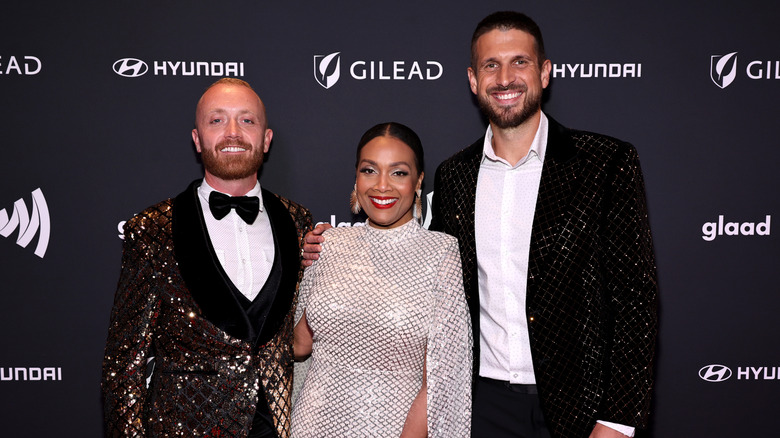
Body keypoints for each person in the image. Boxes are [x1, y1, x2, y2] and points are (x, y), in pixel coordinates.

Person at [304, 12, 657, 438]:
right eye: (491, 65)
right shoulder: (455, 176)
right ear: (474, 80)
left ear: (545, 72)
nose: (505, 78)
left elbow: (635, 301)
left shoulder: (604, 162)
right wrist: (322, 254)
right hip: (480, 405)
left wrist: (617, 420)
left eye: (519, 62)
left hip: (581, 409)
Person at [102, 78, 312, 438]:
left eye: (247, 120)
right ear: (197, 139)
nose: (233, 133)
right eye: (217, 120)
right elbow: (125, 363)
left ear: (266, 138)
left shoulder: (298, 221)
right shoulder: (152, 228)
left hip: (274, 427)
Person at [291, 122, 472, 437]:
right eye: (369, 170)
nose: (382, 186)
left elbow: (441, 382)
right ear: (356, 177)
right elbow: (298, 346)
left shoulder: (441, 253)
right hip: (311, 425)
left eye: (398, 172)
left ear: (418, 181)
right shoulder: (329, 244)